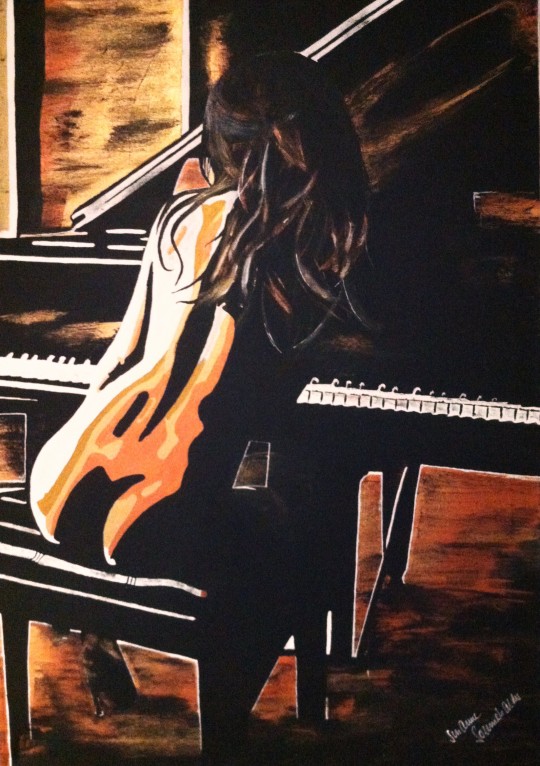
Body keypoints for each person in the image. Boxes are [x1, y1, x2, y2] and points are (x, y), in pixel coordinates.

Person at [30, 51, 370, 761]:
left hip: (58, 478)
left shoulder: (177, 214)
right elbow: (271, 407)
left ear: (220, 140)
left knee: (257, 516)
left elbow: (118, 359)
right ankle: (229, 720)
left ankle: (98, 622)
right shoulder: (304, 248)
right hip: (160, 511)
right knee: (297, 543)